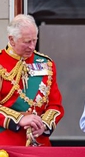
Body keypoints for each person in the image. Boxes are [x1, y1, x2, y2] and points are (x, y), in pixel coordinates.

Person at [0, 14, 64, 146]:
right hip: (6, 144)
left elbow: (55, 105)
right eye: (27, 42)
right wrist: (20, 119)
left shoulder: (46, 64)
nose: (32, 46)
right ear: (11, 40)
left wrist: (44, 125)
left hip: (39, 143)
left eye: (34, 40)